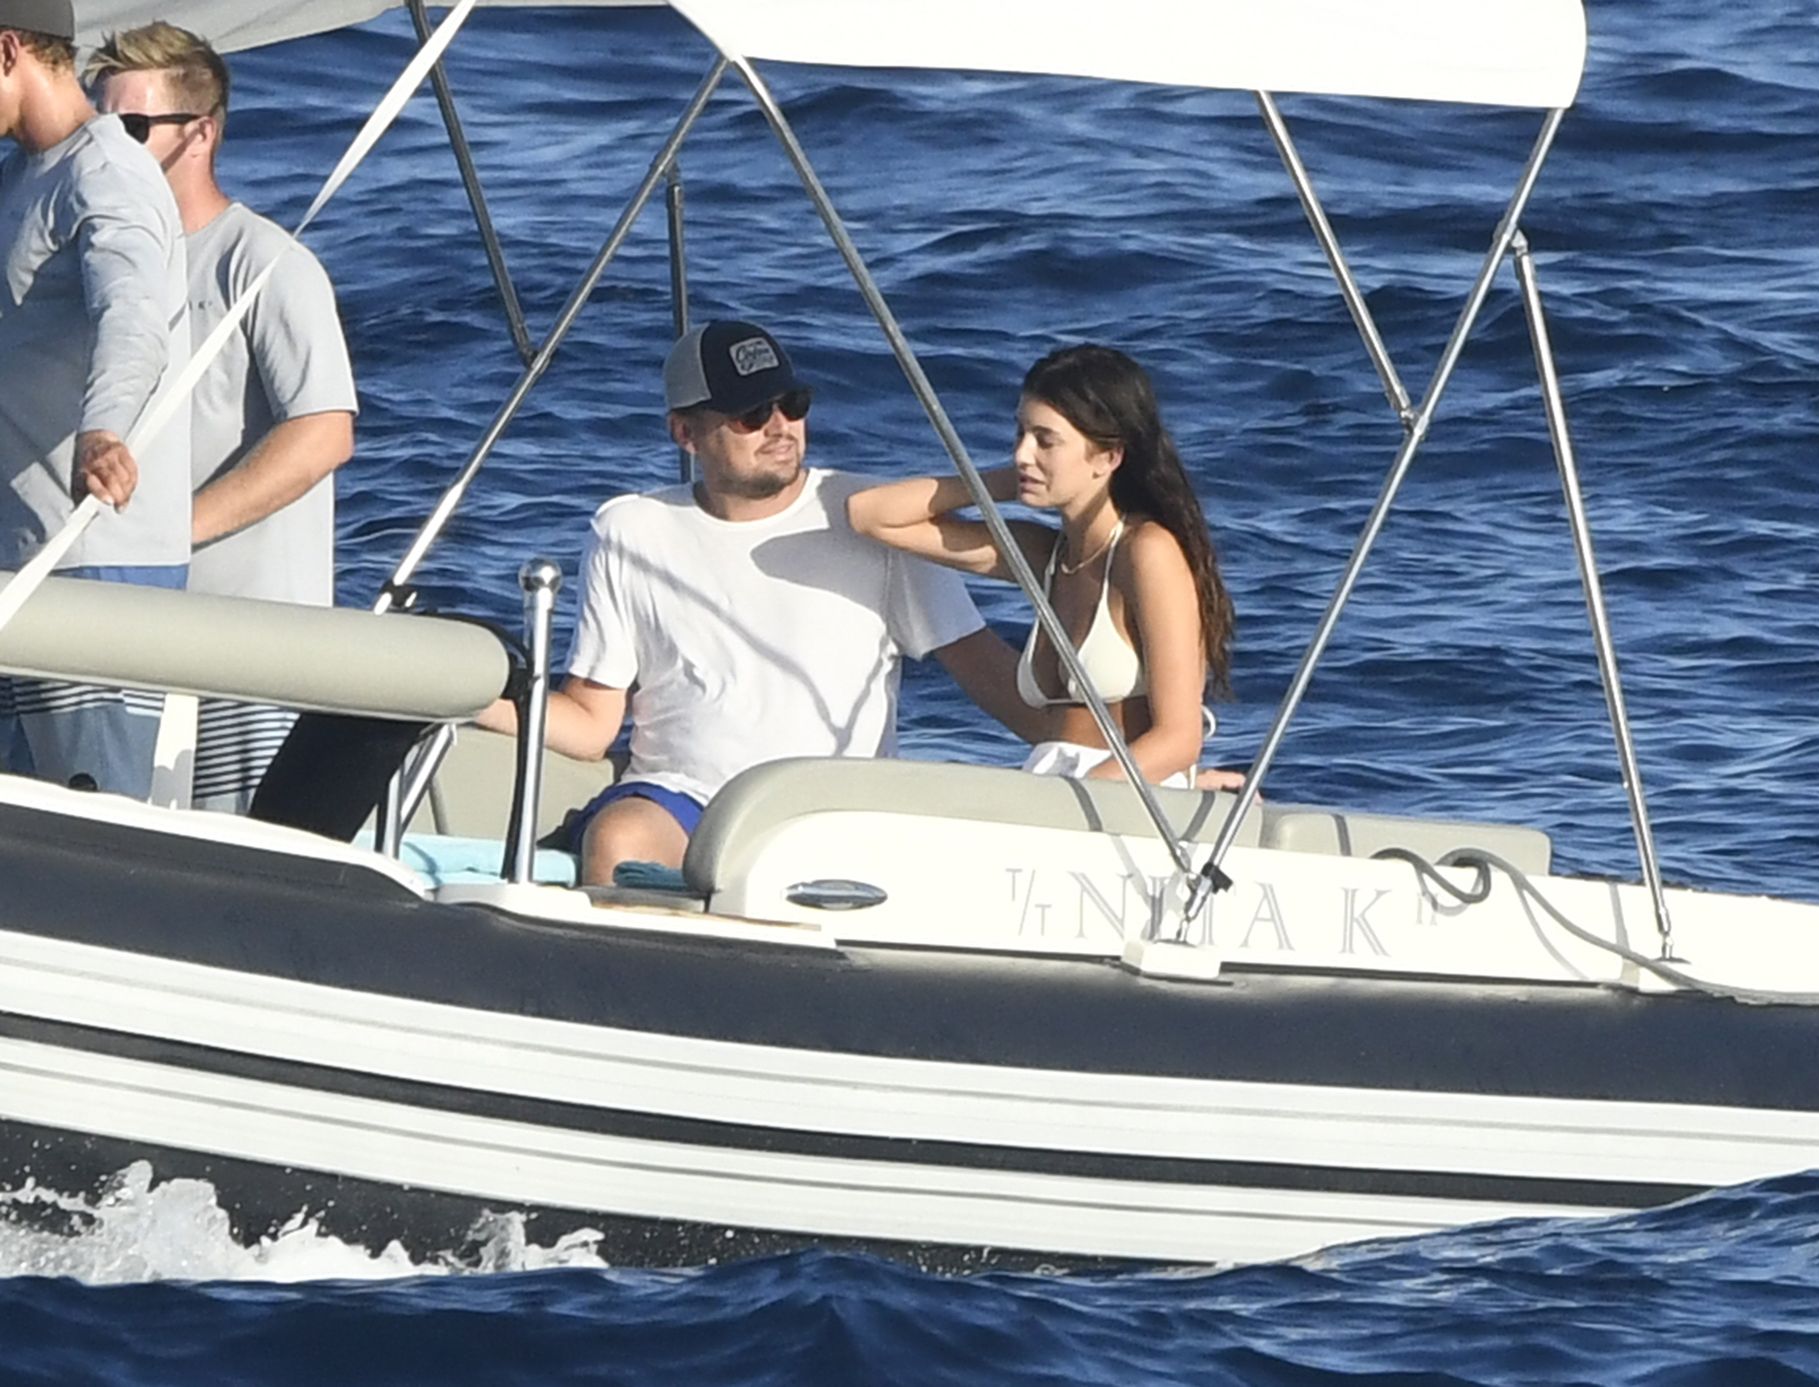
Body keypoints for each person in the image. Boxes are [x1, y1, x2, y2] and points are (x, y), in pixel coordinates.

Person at [479, 319, 1034, 885]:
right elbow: (593, 722)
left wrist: (1087, 742)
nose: (780, 426)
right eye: (751, 414)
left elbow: (990, 676)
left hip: (835, 811)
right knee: (618, 840)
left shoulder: (878, 521)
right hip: (685, 802)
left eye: (792, 405)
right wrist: (467, 696)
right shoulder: (629, 529)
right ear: (685, 433)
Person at [89, 22, 357, 813]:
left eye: (132, 128)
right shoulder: (102, 268)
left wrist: (173, 528)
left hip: (250, 646)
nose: (107, 149)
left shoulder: (265, 263)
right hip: (132, 635)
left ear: (200, 133)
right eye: (98, 128)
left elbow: (324, 432)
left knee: (237, 851)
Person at [849, 344, 1234, 788]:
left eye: (1045, 441)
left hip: (1120, 794)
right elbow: (871, 515)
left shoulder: (1146, 552)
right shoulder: (1048, 555)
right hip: (1052, 781)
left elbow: (1179, 740)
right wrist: (1009, 481)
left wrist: (1073, 801)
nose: (1022, 453)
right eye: (1021, 434)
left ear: (1108, 457)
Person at [0, 0, 192, 799]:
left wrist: (104, 430)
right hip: (21, 559)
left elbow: (133, 314)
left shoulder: (106, 171)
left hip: (95, 557)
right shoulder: (18, 177)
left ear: (8, 50)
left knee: (92, 822)